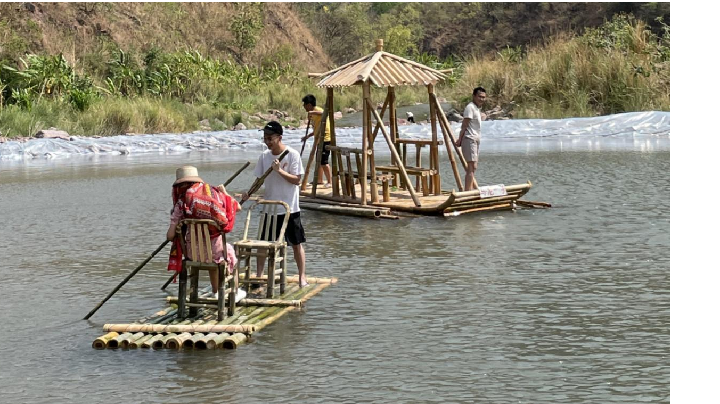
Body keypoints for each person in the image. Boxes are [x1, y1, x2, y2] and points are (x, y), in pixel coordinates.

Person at [243, 121, 309, 288]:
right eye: (265, 138)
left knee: (296, 244)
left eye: (270, 138)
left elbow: (297, 180)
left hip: (289, 208)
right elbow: (259, 180)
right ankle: (259, 275)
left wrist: (279, 171)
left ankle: (302, 276)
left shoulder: (292, 154)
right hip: (270, 208)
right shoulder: (264, 156)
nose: (267, 142)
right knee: (263, 244)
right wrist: (248, 193)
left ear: (279, 137)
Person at [166, 166, 245, 301]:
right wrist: (224, 192)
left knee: (208, 255)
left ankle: (215, 291)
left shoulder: (180, 204)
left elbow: (170, 236)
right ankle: (234, 291)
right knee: (228, 254)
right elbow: (237, 207)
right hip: (215, 252)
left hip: (192, 254)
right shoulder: (213, 196)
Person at [455, 86, 487, 191]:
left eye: (483, 97)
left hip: (475, 139)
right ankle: (468, 191)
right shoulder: (470, 107)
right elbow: (464, 125)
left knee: (474, 166)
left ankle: (470, 189)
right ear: (474, 96)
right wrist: (460, 139)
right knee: (471, 166)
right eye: (479, 97)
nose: (481, 99)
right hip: (469, 138)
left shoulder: (477, 108)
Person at [300, 94, 332, 188]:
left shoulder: (317, 110)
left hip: (325, 139)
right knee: (319, 161)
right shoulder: (313, 115)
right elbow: (316, 129)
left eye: (305, 105)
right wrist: (307, 136)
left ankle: (330, 181)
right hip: (318, 139)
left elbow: (325, 113)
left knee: (324, 162)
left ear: (309, 105)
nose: (304, 107)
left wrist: (312, 112)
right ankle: (319, 180)